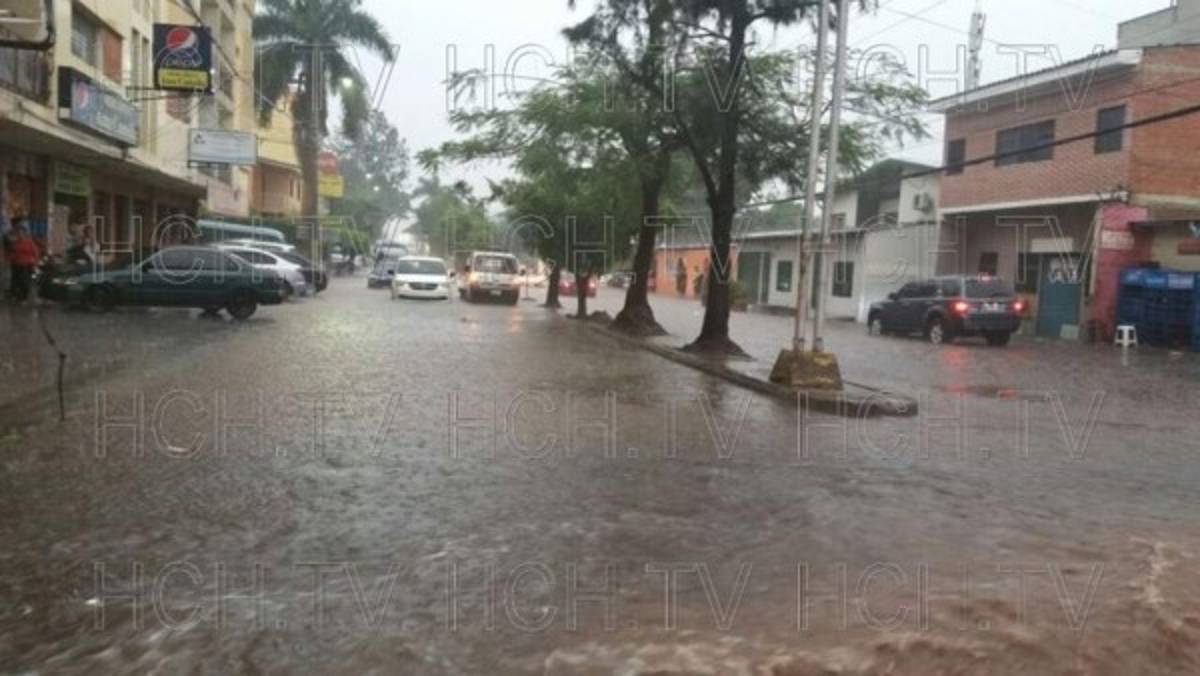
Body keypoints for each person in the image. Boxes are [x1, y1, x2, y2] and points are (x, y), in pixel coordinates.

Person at [6, 218, 40, 303]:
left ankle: (24, 297)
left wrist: (35, 263)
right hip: (16, 264)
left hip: (27, 265)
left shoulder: (29, 242)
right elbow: (12, 253)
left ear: (24, 233)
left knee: (24, 281)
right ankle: (17, 296)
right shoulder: (15, 243)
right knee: (15, 281)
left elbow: (35, 253)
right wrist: (10, 259)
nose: (19, 234)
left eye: (21, 233)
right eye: (18, 233)